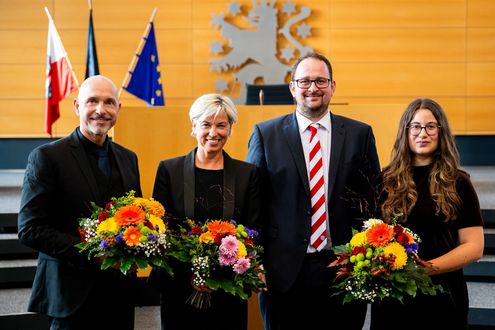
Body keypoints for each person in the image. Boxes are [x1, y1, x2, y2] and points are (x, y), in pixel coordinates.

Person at [246, 52, 381, 329]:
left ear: (332, 86)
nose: (313, 88)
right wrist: (255, 261)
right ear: (293, 88)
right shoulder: (265, 134)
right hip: (284, 272)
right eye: (305, 81)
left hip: (343, 269)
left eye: (320, 81)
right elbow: (253, 204)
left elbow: (373, 201)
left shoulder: (359, 135)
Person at [17, 75, 142, 330]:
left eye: (109, 102)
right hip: (69, 295)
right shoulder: (47, 157)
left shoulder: (129, 159)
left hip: (119, 295)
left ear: (118, 109)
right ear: (77, 106)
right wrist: (93, 254)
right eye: (92, 101)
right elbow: (30, 229)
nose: (101, 109)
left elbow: (136, 217)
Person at [148, 93, 261, 330]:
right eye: (206, 124)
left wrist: (217, 274)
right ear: (193, 126)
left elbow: (253, 230)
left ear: (230, 128)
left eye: (221, 125)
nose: (213, 132)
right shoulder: (169, 170)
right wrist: (194, 274)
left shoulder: (247, 174)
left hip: (228, 288)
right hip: (179, 286)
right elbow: (161, 230)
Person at [370, 98, 484, 330]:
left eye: (431, 126)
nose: (423, 133)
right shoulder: (385, 181)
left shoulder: (458, 182)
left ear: (441, 132)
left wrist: (426, 268)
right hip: (393, 298)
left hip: (442, 295)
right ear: (406, 131)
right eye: (416, 126)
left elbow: (474, 245)